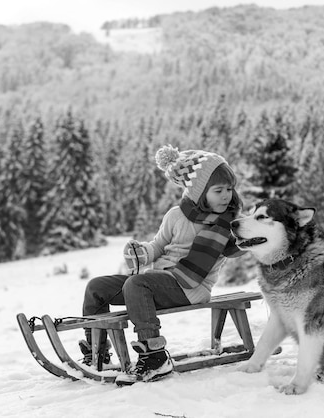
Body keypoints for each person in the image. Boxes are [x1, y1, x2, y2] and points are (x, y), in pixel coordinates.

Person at [80, 144, 244, 385]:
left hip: (191, 287)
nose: (226, 195)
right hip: (156, 281)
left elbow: (240, 247)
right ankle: (98, 352)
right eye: (218, 190)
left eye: (229, 189)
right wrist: (142, 253)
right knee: (97, 287)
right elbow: (157, 246)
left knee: (137, 284)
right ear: (198, 191)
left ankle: (154, 354)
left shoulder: (227, 224)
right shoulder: (176, 215)